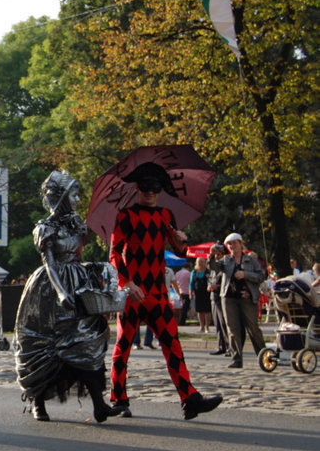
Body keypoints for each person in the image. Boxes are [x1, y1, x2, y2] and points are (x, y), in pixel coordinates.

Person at [109, 161, 222, 420]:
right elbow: (115, 253)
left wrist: (182, 243)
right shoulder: (125, 216)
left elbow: (180, 251)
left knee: (173, 346)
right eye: (146, 187)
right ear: (137, 187)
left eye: (155, 187)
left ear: (160, 190)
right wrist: (127, 284)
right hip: (133, 295)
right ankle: (118, 398)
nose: (150, 192)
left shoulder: (166, 216)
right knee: (123, 345)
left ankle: (190, 399)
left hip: (158, 294)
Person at [15, 171, 124, 423]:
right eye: (73, 195)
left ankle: (99, 405)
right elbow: (51, 264)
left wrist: (93, 268)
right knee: (45, 344)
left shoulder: (77, 224)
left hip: (79, 282)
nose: (77, 200)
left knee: (88, 340)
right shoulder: (45, 228)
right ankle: (38, 401)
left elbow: (77, 255)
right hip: (49, 290)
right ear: (61, 197)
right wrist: (62, 293)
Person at [208, 233, 266, 368]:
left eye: (234, 243)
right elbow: (213, 267)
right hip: (229, 298)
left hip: (247, 297)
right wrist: (211, 255)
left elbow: (261, 276)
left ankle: (263, 355)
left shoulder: (251, 260)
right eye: (230, 244)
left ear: (241, 243)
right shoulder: (226, 260)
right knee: (232, 329)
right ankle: (237, 358)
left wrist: (245, 274)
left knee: (253, 327)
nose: (232, 246)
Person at [190, 257, 212, 333]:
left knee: (207, 310)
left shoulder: (208, 271)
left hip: (207, 293)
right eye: (199, 262)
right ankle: (201, 326)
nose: (200, 263)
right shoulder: (194, 272)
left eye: (202, 261)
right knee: (199, 310)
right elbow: (191, 283)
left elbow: (211, 281)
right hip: (197, 293)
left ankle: (207, 327)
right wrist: (191, 293)